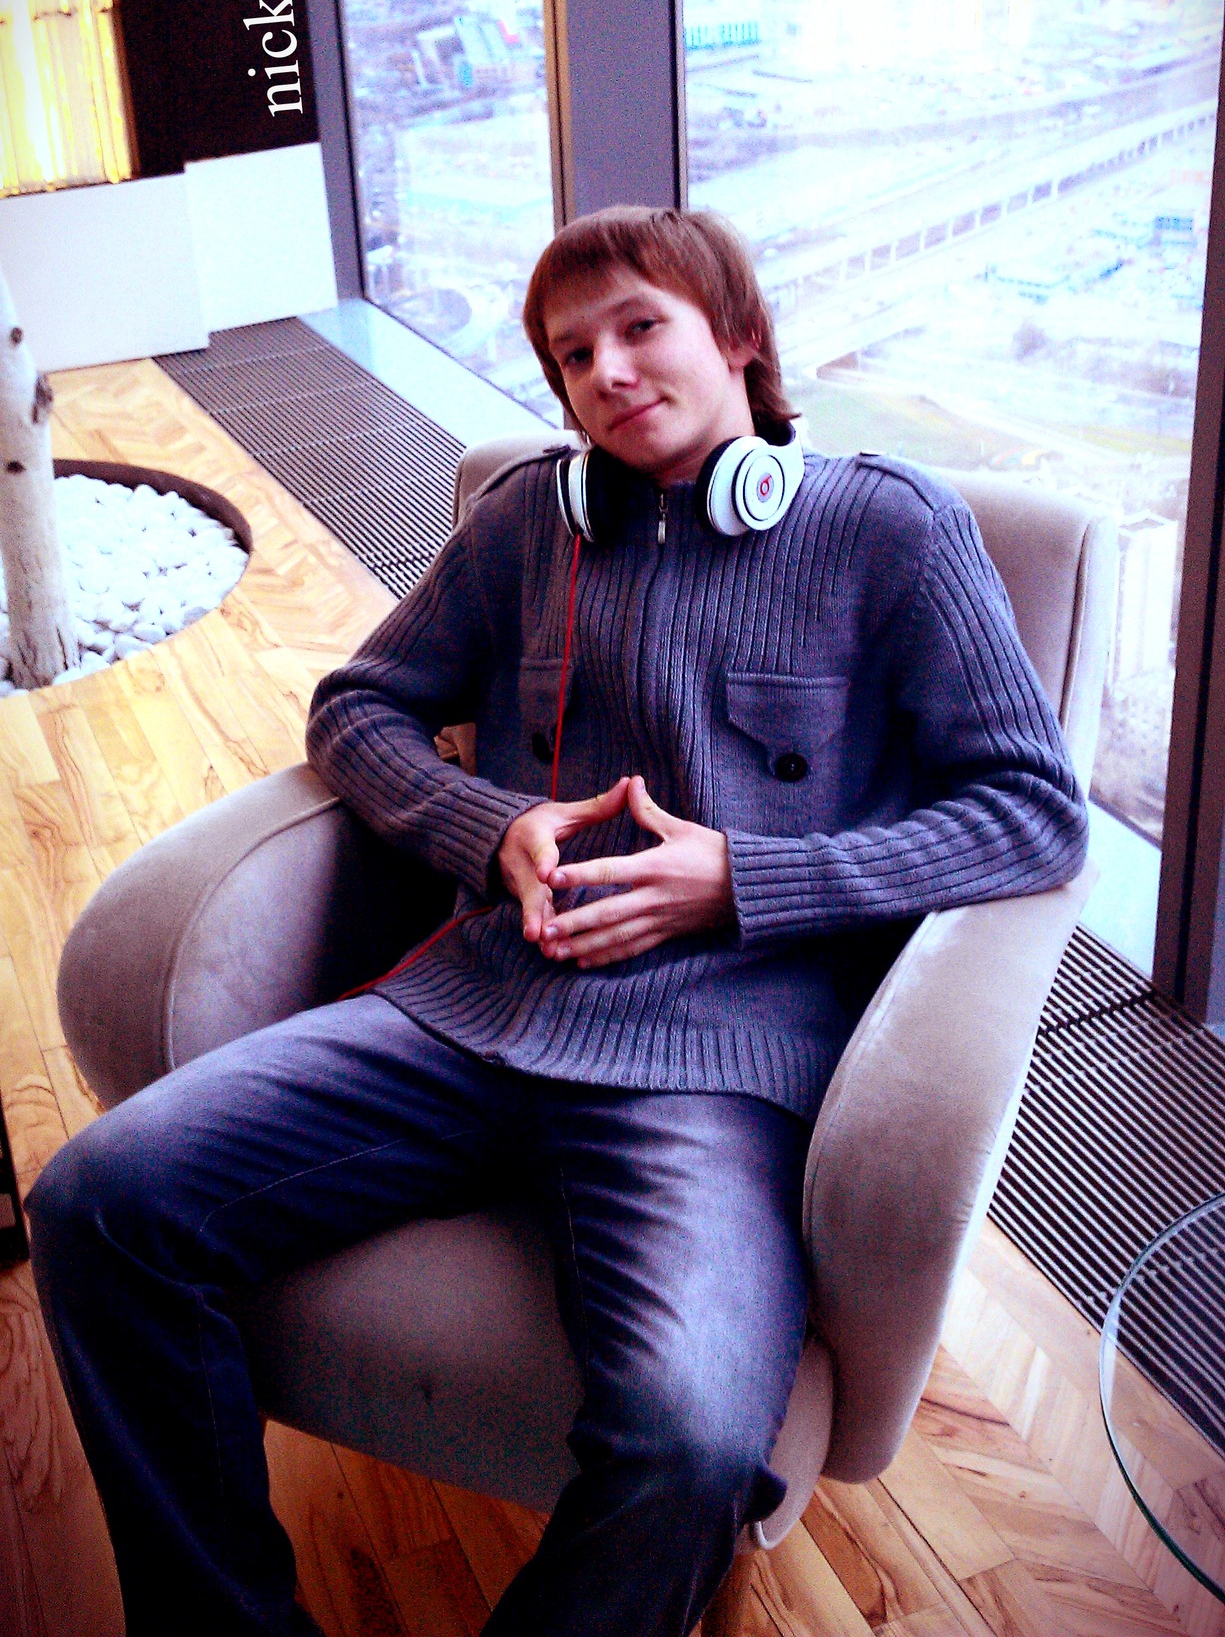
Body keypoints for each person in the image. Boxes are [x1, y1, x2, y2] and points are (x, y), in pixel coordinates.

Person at [28, 205, 1087, 1637]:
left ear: (739, 337)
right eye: (572, 354)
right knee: (100, 1206)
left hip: (711, 1070)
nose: (606, 371)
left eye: (641, 327)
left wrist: (745, 879)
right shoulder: (533, 520)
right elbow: (357, 706)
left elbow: (1030, 813)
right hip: (467, 1013)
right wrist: (488, 825)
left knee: (695, 1442)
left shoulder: (887, 531)